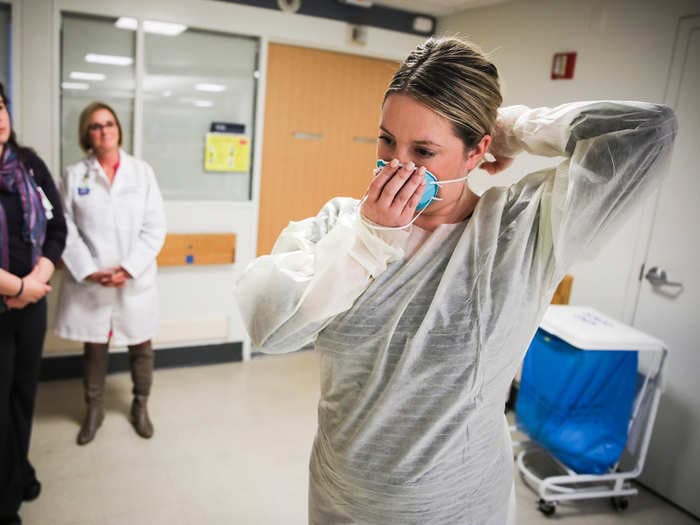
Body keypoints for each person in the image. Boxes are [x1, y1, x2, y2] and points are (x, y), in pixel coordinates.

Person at [235, 37, 678, 524]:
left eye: (423, 149)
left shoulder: (520, 230)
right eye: (386, 140)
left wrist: (514, 128)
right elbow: (269, 326)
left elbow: (646, 129)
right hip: (343, 498)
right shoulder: (341, 227)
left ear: (476, 152)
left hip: (456, 505)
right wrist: (367, 240)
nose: (397, 164)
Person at [54, 102, 166, 445]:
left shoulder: (142, 172)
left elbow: (155, 226)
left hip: (134, 277)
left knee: (141, 344)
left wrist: (129, 268)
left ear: (118, 128)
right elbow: (64, 228)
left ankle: (140, 406)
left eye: (109, 123)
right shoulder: (75, 175)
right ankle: (94, 409)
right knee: (95, 347)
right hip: (93, 279)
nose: (104, 130)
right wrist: (88, 270)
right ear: (86, 134)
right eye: (95, 126)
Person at [0, 83, 67, 525]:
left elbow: (58, 225)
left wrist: (39, 276)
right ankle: (5, 506)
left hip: (33, 303)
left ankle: (18, 471)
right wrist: (15, 288)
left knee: (24, 396)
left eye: (0, 105)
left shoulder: (29, 165)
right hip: (3, 307)